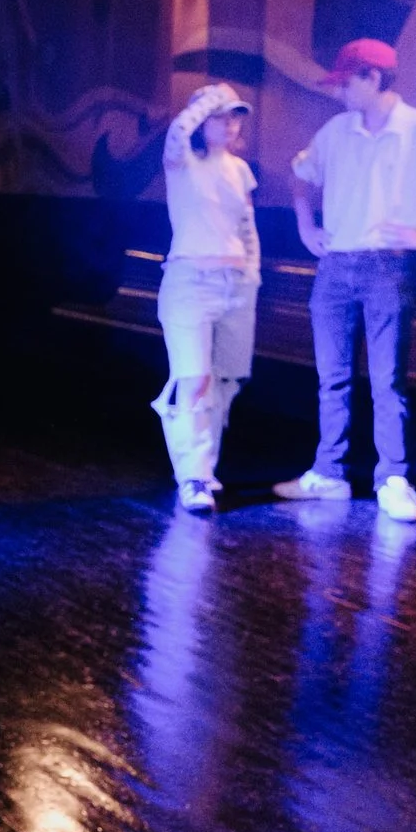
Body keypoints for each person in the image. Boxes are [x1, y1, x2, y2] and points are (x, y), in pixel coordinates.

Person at [274, 38, 416, 521]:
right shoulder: (336, 131)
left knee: (387, 381)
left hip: (388, 266)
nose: (339, 92)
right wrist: (305, 225)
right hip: (335, 265)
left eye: (346, 83)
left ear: (373, 78)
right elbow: (300, 176)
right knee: (332, 379)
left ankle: (394, 479)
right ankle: (329, 473)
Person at [152, 82, 258, 514]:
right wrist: (211, 97)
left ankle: (204, 468)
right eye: (220, 116)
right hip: (189, 284)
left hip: (235, 285)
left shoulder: (239, 169)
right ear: (202, 120)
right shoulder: (182, 162)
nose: (230, 123)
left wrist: (251, 276)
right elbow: (178, 131)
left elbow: (247, 228)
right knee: (193, 377)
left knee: (224, 381)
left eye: (235, 116)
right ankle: (191, 476)